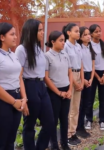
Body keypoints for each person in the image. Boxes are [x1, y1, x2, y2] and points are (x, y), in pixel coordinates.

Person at [15, 19, 55, 150]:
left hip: (41, 86)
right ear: (31, 31)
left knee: (49, 123)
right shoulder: (21, 49)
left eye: (43, 29)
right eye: (40, 30)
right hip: (29, 86)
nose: (43, 32)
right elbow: (19, 75)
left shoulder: (38, 48)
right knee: (30, 126)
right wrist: (24, 98)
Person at [0, 22, 28, 150]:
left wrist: (24, 99)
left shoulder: (13, 55)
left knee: (12, 138)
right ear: (2, 37)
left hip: (17, 98)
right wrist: (13, 102)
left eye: (15, 34)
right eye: (12, 34)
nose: (15, 37)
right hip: (4, 100)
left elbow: (19, 77)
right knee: (2, 139)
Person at [45, 31, 72, 150]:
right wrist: (58, 92)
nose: (63, 43)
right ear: (52, 41)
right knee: (54, 119)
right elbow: (46, 77)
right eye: (61, 40)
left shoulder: (65, 54)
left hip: (66, 89)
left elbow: (69, 72)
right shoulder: (47, 56)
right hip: (54, 92)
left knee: (64, 118)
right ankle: (54, 145)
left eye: (64, 40)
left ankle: (64, 143)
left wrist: (70, 89)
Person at [62, 23, 84, 146]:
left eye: (78, 31)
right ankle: (67, 135)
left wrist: (81, 79)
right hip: (69, 76)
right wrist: (75, 82)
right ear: (68, 32)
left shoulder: (78, 46)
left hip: (78, 76)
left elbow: (80, 63)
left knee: (76, 107)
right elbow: (67, 66)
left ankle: (73, 131)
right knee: (69, 108)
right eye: (76, 31)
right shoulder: (65, 46)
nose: (78, 33)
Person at [85, 24, 104, 131]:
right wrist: (97, 77)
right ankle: (89, 119)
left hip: (103, 74)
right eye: (96, 31)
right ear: (91, 33)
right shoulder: (88, 45)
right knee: (90, 98)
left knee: (103, 99)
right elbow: (90, 63)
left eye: (100, 31)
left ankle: (102, 120)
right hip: (92, 73)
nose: (99, 33)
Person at [76, 26, 95, 138]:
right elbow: (80, 64)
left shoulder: (90, 48)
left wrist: (91, 79)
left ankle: (81, 125)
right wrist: (84, 80)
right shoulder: (79, 48)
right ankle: (79, 127)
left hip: (89, 76)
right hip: (81, 76)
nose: (88, 36)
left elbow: (93, 65)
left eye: (89, 34)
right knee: (80, 103)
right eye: (85, 35)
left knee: (87, 102)